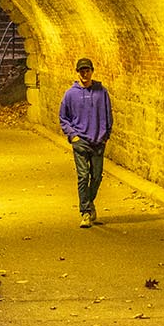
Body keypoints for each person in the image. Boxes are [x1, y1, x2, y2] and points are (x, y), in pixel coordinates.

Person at [58, 57, 113, 227]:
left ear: (92, 71)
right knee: (83, 176)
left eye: (87, 70)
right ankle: (85, 212)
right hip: (80, 141)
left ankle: (89, 202)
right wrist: (72, 136)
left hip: (98, 141)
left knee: (96, 176)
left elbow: (108, 115)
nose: (84, 73)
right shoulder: (70, 94)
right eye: (81, 70)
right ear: (77, 72)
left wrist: (105, 136)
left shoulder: (101, 92)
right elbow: (63, 117)